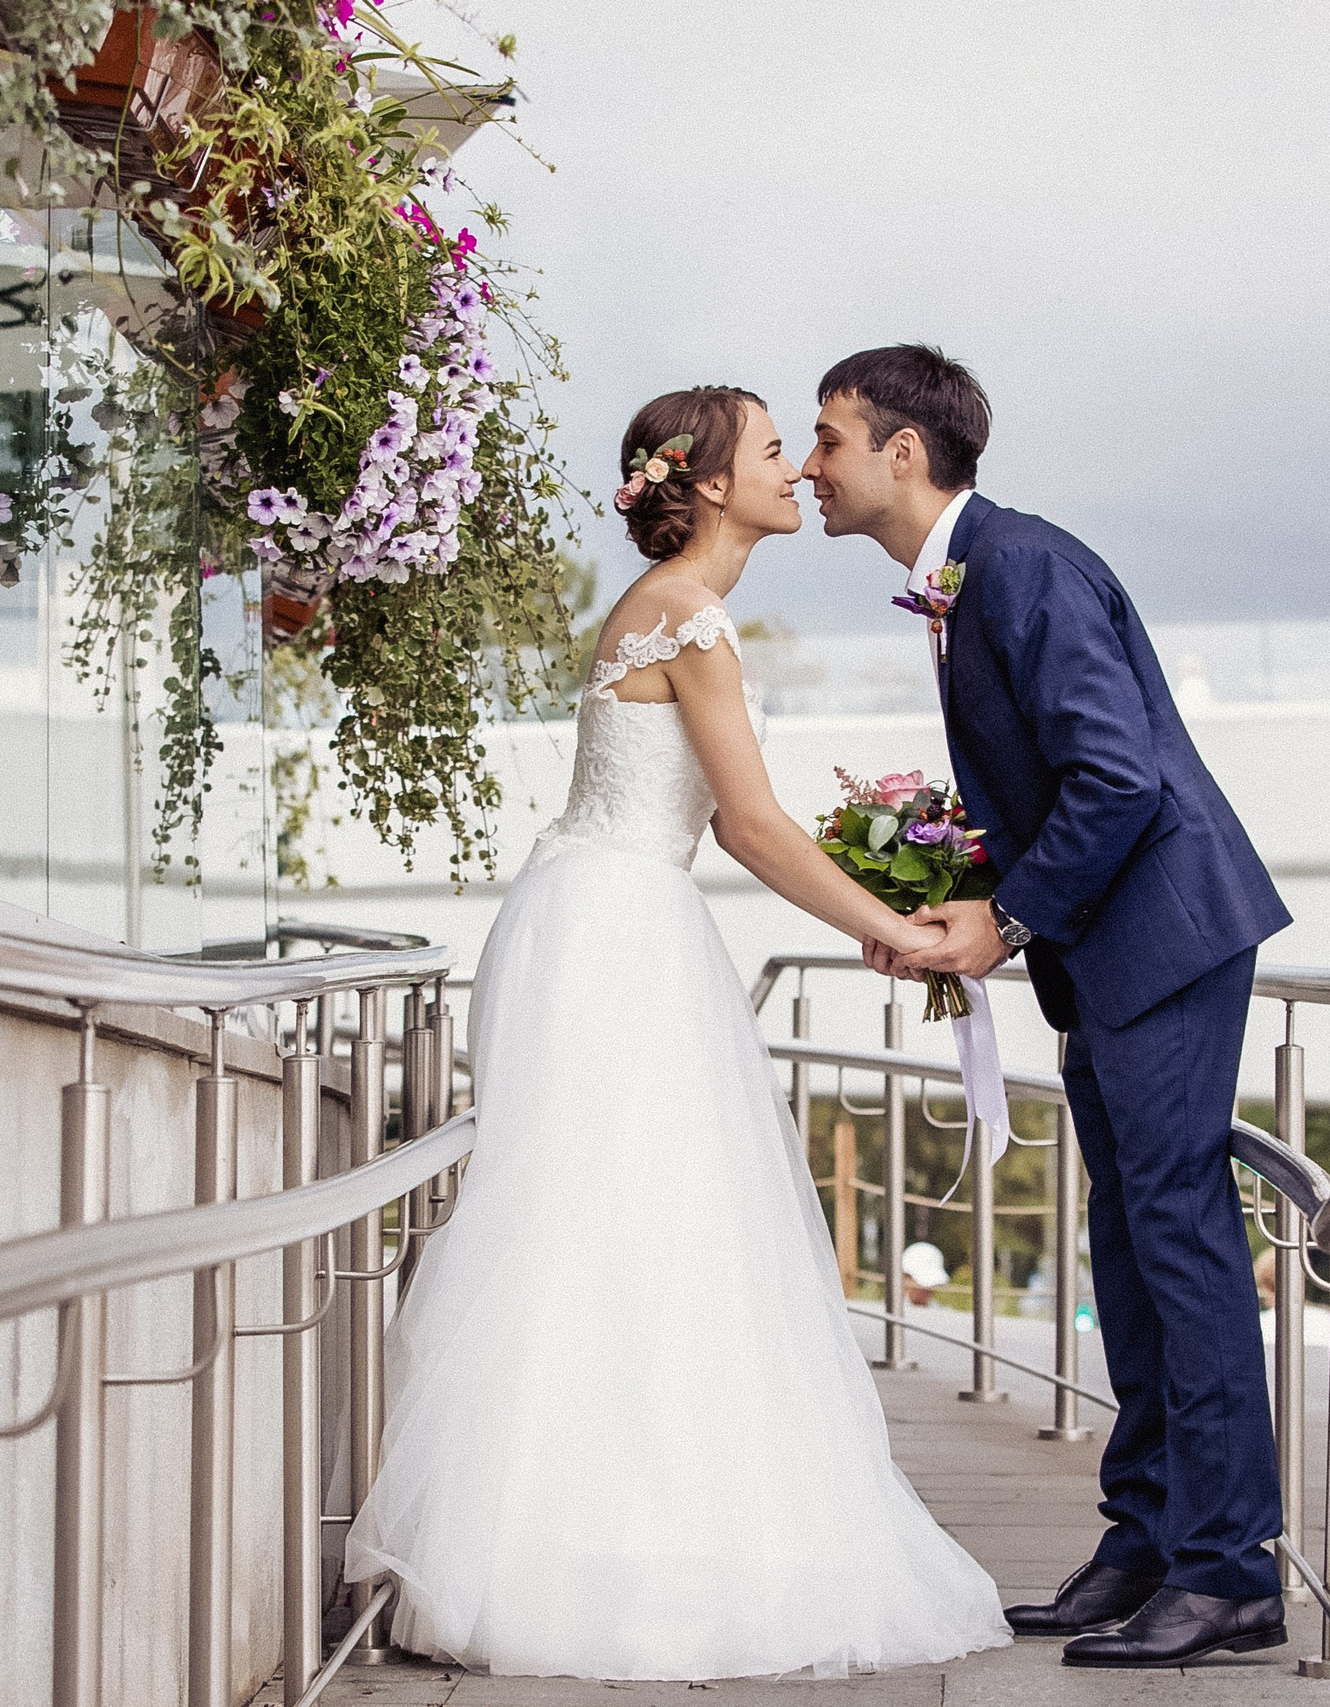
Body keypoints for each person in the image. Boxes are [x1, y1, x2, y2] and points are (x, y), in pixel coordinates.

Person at [342, 387, 1009, 1681]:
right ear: (705, 484)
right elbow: (752, 828)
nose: (794, 470)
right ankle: (600, 1543)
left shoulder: (671, 614)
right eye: (775, 450)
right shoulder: (690, 619)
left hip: (599, 911)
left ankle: (567, 1536)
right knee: (631, 1218)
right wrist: (907, 930)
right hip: (621, 927)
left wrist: (882, 910)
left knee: (614, 1218)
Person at [809, 345, 1290, 1669]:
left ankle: (1232, 1566)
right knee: (1131, 1245)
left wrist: (1005, 918)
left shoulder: (1020, 565)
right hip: (1116, 952)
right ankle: (1146, 1534)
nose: (810, 464)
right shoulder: (977, 576)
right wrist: (939, 889)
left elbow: (1119, 779)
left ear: (905, 450)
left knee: (1179, 1240)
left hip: (1165, 942)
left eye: (830, 437)